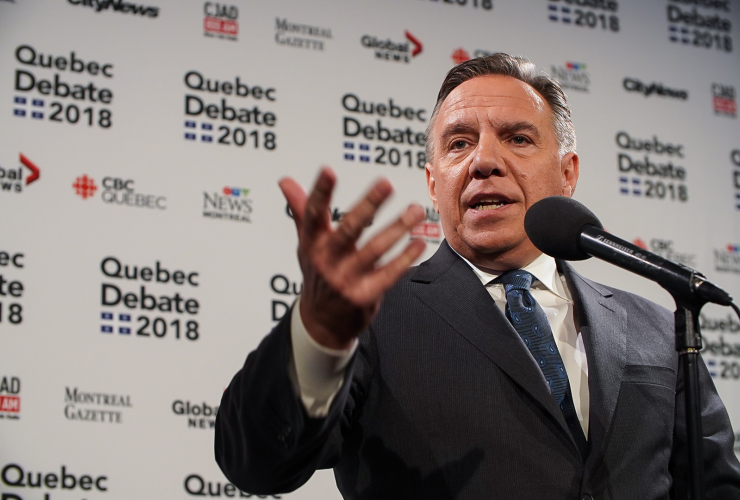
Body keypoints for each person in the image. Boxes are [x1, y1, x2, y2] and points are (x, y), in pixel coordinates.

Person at [215, 54, 740, 499]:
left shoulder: (654, 326)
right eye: (459, 143)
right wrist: (319, 336)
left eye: (517, 138)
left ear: (568, 173)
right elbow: (258, 461)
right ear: (433, 182)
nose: (484, 160)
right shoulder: (374, 316)